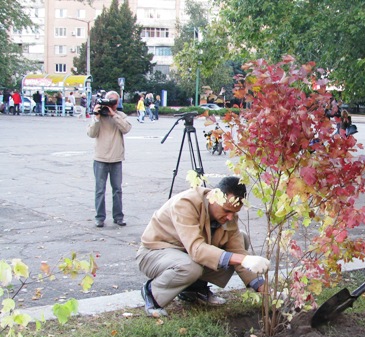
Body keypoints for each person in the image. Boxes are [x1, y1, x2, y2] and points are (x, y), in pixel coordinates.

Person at [136, 176, 271, 317]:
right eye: (226, 210)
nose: (230, 217)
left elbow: (237, 250)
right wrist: (242, 259)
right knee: (190, 267)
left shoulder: (229, 216)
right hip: (154, 253)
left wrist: (265, 290)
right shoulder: (186, 204)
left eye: (234, 212)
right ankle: (153, 293)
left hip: (184, 255)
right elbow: (197, 249)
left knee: (241, 239)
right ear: (214, 197)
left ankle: (194, 289)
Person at [87, 90, 132, 228]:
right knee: (100, 190)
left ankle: (118, 216)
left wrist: (114, 115)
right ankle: (100, 217)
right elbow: (91, 133)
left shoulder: (121, 115)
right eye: (109, 101)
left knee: (117, 189)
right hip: (100, 158)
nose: (111, 104)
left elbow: (126, 129)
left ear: (117, 103)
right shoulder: (99, 116)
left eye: (114, 101)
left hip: (116, 158)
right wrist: (96, 116)